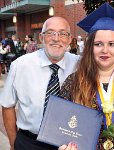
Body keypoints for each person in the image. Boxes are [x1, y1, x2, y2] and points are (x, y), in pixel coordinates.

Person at [58, 2, 114, 150]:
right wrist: (64, 145)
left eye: (112, 44)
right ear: (90, 47)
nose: (105, 50)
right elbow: (61, 126)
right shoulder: (74, 82)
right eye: (98, 44)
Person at [0, 16, 80, 150]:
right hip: (29, 142)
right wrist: (14, 143)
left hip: (69, 144)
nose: (56, 38)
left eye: (62, 34)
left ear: (69, 39)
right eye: (50, 33)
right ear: (41, 38)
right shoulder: (20, 66)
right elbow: (7, 105)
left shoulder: (81, 64)